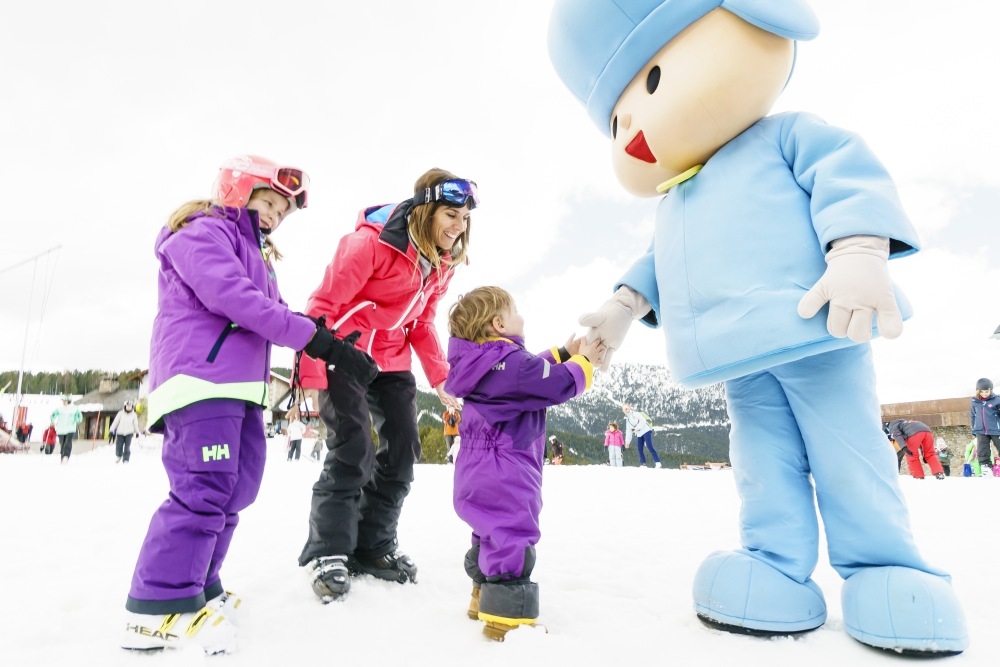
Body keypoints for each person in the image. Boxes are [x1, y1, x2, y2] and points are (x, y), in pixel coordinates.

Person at [548, 0, 967, 654]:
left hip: (816, 332)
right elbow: (659, 264)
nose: (633, 130)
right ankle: (774, 561)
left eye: (650, 83)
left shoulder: (785, 136)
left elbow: (846, 176)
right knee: (762, 462)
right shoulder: (677, 198)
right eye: (618, 119)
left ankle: (886, 565)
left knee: (847, 452)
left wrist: (858, 248)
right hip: (740, 361)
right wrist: (622, 307)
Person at [120, 155, 378, 656]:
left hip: (240, 388)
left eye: (284, 210)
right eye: (269, 201)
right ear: (237, 190)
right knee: (203, 489)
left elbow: (275, 313)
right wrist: (318, 342)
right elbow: (236, 300)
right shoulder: (200, 233)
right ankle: (159, 606)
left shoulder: (257, 254)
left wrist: (325, 337)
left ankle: (199, 586)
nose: (276, 215)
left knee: (235, 489)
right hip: (200, 380)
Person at [297, 167, 474, 603]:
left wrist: (442, 376)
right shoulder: (368, 244)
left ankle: (372, 547)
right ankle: (330, 551)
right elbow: (321, 306)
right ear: (427, 209)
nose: (459, 225)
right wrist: (313, 372)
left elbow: (420, 322)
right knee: (353, 446)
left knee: (402, 449)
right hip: (344, 349)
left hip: (391, 356)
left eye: (465, 217)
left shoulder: (442, 261)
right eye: (451, 214)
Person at [444, 285, 604, 640]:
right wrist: (585, 363)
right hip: (506, 468)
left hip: (475, 470)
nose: (522, 316)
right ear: (498, 323)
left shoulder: (482, 364)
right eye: (515, 311)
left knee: (489, 532)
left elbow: (527, 373)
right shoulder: (510, 365)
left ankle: (481, 596)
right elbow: (551, 384)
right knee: (512, 534)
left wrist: (563, 353)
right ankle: (506, 621)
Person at [971, 378, 1000, 478]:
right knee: (982, 450)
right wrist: (974, 429)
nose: (984, 394)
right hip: (980, 430)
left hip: (996, 430)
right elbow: (973, 415)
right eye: (981, 391)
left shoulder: (997, 400)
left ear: (991, 390)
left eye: (986, 391)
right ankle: (986, 469)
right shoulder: (975, 401)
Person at [50, 396, 82, 464]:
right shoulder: (59, 409)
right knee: (62, 444)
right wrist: (52, 418)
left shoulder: (74, 409)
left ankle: (66, 456)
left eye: (65, 401)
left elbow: (79, 416)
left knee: (68, 442)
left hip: (70, 428)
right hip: (61, 429)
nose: (64, 402)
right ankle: (62, 457)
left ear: (69, 401)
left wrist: (77, 419)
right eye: (63, 401)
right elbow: (53, 414)